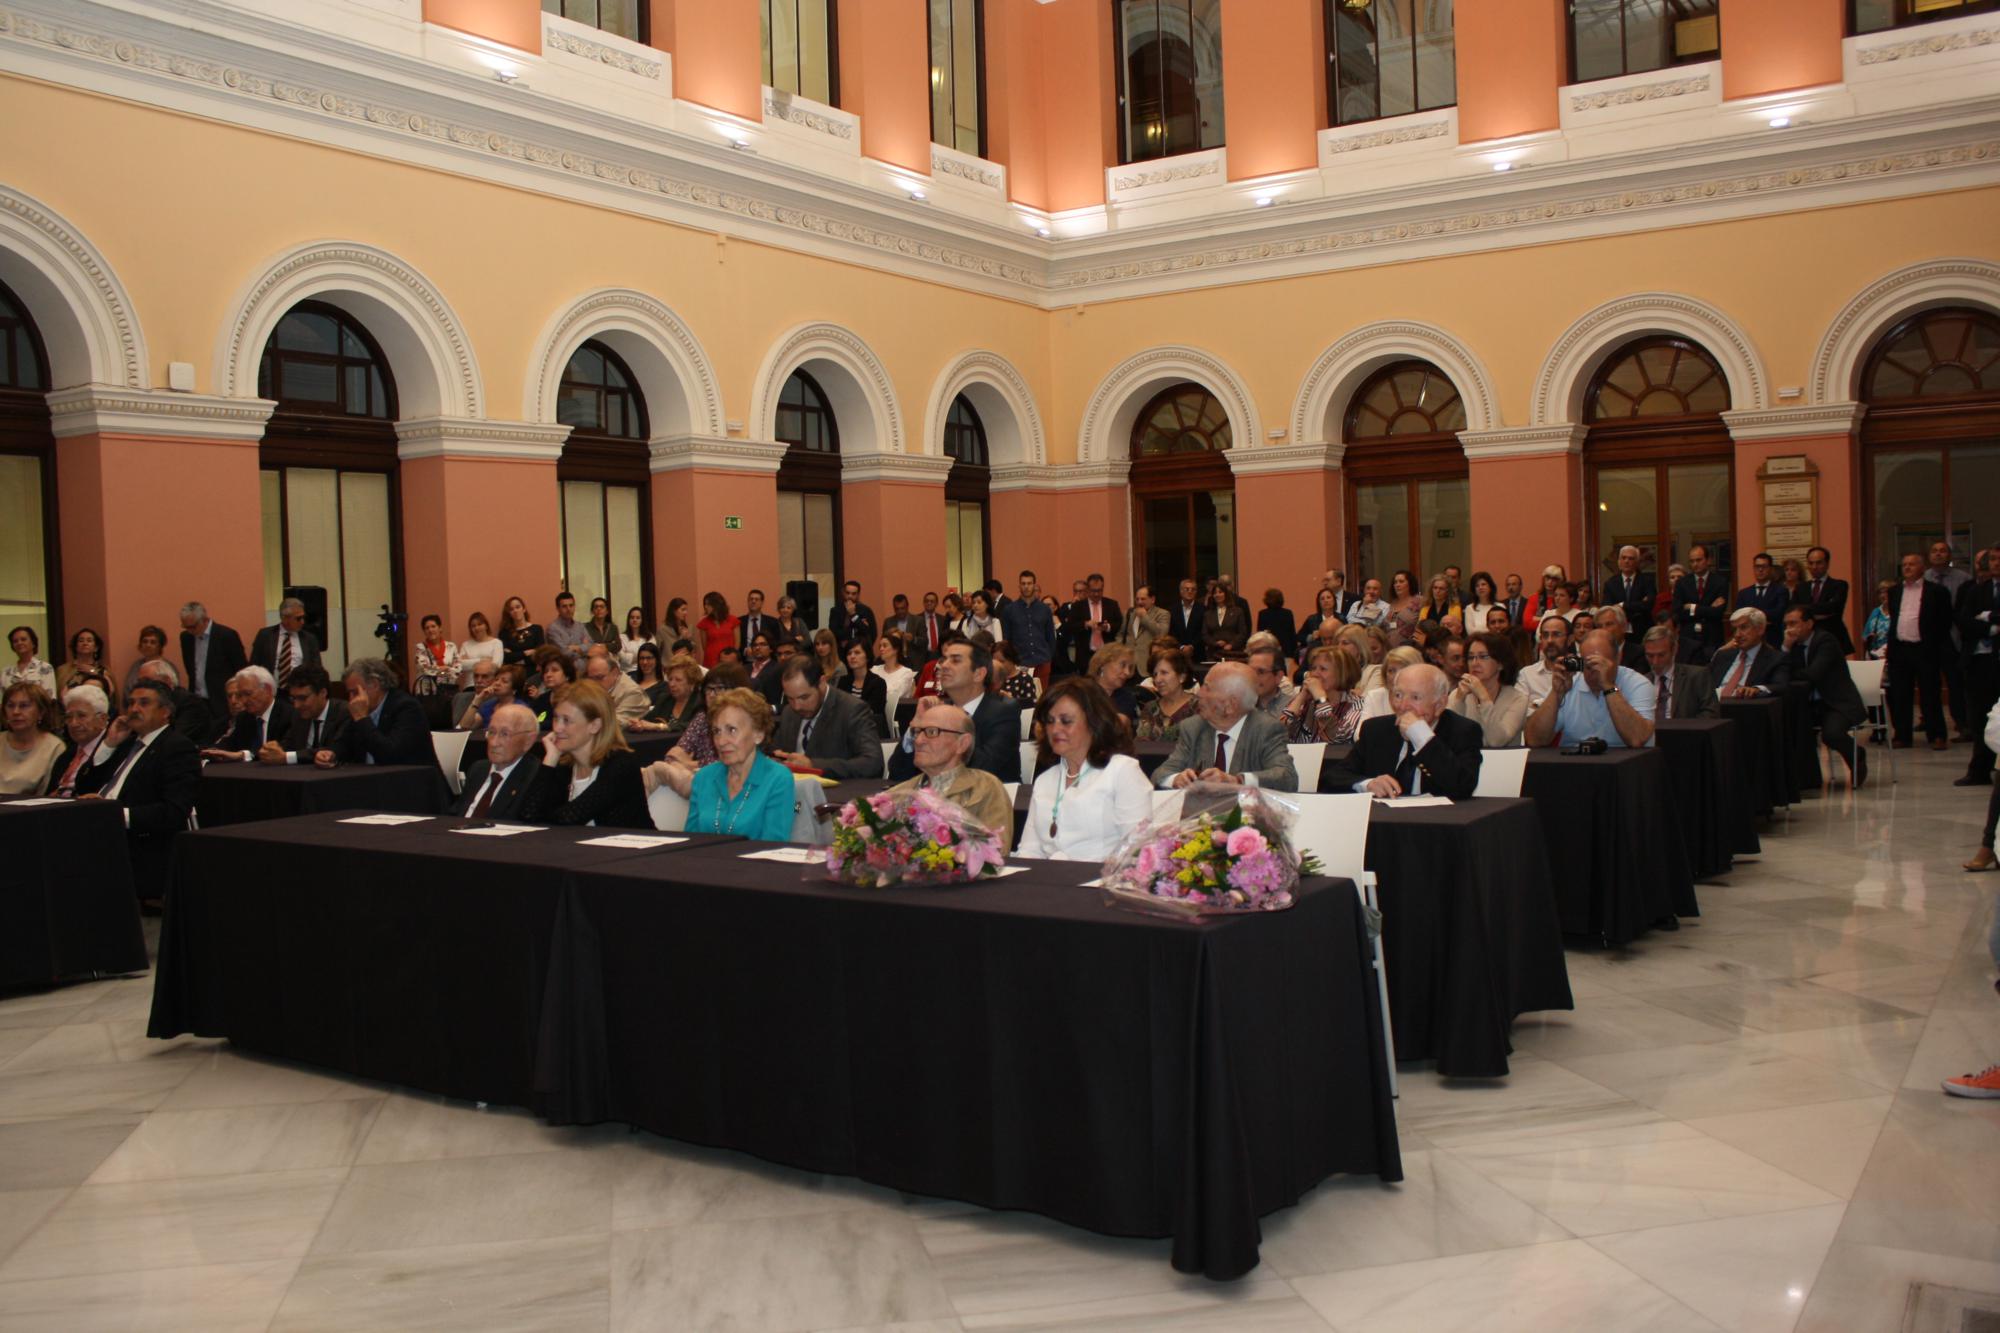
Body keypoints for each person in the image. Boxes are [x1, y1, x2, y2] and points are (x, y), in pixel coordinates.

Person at [76, 677, 201, 906]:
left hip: (138, 842)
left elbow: (174, 811)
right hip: (101, 831)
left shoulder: (176, 747)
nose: (134, 709)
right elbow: (83, 786)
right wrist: (109, 744)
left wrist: (113, 813)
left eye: (144, 703)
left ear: (165, 712)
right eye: (131, 703)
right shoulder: (125, 743)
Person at [1018, 677, 1153, 862]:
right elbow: (1029, 851)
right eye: (1049, 721)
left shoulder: (1122, 771)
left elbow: (1136, 852)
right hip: (1047, 878)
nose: (1055, 729)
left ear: (1094, 722)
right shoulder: (1045, 780)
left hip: (1101, 878)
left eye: (1066, 721)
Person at [1327, 663, 1484, 798]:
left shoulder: (1463, 731)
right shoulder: (1376, 730)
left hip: (1437, 820)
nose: (1403, 706)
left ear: (1439, 704)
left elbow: (1462, 787)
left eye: (1415, 698)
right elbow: (1332, 777)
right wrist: (1367, 784)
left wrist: (1422, 737)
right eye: (1398, 695)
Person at [665, 687, 796, 841]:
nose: (721, 741)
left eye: (732, 730)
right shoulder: (703, 777)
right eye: (717, 731)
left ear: (758, 734)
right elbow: (690, 840)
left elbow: (773, 845)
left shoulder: (778, 779)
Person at [886, 639, 1022, 782]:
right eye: (944, 659)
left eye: (955, 660)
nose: (944, 665)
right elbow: (897, 772)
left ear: (978, 674)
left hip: (988, 793)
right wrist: (916, 727)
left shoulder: (1003, 713)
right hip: (936, 792)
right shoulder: (938, 711)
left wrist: (941, 745)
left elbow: (983, 767)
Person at [887, 703, 1016, 854]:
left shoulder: (986, 788)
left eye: (932, 732)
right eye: (916, 732)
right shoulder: (898, 793)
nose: (918, 740)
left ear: (962, 743)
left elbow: (996, 853)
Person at [517, 679, 649, 827]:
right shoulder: (564, 767)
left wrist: (545, 816)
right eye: (556, 718)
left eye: (566, 720)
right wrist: (550, 760)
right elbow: (527, 815)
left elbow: (570, 818)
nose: (557, 728)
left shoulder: (621, 764)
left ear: (594, 725)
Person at [1152, 661, 1297, 791]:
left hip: (1248, 810)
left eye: (1207, 688)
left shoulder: (1266, 729)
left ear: (1230, 705)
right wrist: (1176, 779)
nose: (1199, 693)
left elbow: (1287, 777)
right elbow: (1160, 774)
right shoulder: (1193, 727)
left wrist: (1237, 781)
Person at [1524, 629, 1657, 749]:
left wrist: (1609, 687)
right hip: (1575, 761)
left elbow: (1637, 739)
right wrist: (1556, 694)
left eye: (1600, 663)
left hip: (1625, 762)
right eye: (1588, 663)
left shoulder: (1637, 684)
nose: (1594, 670)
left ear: (1618, 658)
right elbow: (1534, 740)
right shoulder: (1570, 682)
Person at [1783, 604, 1867, 790]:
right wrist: (1786, 649)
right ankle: (1804, 779)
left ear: (1809, 624)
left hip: (1836, 702)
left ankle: (1857, 755)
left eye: (1793, 623)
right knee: (1792, 729)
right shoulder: (1792, 645)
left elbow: (1814, 673)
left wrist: (1792, 671)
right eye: (1786, 624)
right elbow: (1781, 671)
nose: (1789, 629)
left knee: (1832, 734)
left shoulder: (1825, 641)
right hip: (1809, 703)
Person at [1885, 550, 1957, 750]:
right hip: (1900, 649)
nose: (1907, 567)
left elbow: (1945, 622)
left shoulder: (1937, 591)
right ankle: (1902, 735)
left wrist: (1934, 646)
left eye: (1912, 564)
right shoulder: (1894, 591)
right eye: (1904, 564)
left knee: (1930, 694)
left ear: (1922, 568)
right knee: (1900, 694)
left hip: (1925, 650)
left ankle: (1937, 735)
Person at [769, 657, 884, 779]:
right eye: (790, 698)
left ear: (822, 683)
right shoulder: (789, 712)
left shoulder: (852, 710)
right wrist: (774, 758)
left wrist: (813, 765)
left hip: (837, 788)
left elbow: (873, 763)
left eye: (804, 697)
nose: (797, 706)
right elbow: (775, 750)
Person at [454, 702, 541, 819]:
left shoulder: (534, 777)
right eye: (491, 732)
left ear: (528, 741)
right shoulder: (478, 769)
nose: (494, 743)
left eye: (504, 734)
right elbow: (455, 813)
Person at [339, 657, 433, 765]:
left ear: (374, 685)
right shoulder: (358, 709)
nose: (351, 699)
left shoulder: (407, 707)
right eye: (349, 693)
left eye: (355, 692)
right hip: (370, 774)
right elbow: (345, 744)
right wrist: (332, 754)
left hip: (410, 773)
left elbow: (390, 754)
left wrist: (362, 719)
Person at [1957, 548, 1999, 788]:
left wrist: (1986, 615)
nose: (1996, 563)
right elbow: (1964, 621)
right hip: (1979, 661)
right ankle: (1979, 770)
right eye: (1992, 559)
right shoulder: (1977, 590)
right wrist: (1992, 627)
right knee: (1980, 717)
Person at [663, 661, 749, 770]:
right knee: (658, 769)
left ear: (737, 690)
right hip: (697, 774)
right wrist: (679, 760)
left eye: (719, 688)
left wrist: (689, 764)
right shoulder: (702, 717)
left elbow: (726, 762)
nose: (712, 695)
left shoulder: (744, 720)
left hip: (730, 776)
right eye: (709, 689)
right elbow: (676, 752)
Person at [1450, 632, 1530, 747]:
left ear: (1500, 664)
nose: (1474, 663)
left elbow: (1497, 741)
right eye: (1471, 657)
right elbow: (1450, 738)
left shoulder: (1518, 699)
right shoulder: (1457, 695)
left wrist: (1483, 698)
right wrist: (1459, 701)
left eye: (1483, 657)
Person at [203, 665, 296, 763]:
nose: (243, 700)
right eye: (241, 695)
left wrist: (243, 755)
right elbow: (229, 744)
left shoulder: (289, 715)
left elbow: (279, 751)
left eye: (248, 694)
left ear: (267, 690)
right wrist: (212, 752)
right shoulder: (244, 717)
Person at [1280, 644, 1365, 747]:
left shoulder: (1357, 704)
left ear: (1342, 673)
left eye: (1323, 669)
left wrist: (1320, 698)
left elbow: (1336, 738)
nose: (1315, 674)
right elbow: (1279, 733)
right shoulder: (1307, 702)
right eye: (1313, 668)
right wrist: (1301, 697)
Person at [265, 665, 349, 767]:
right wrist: (272, 749)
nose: (296, 705)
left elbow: (334, 750)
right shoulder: (298, 715)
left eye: (302, 698)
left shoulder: (344, 712)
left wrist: (287, 757)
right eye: (293, 698)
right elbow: (288, 745)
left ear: (323, 693)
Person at [1640, 625, 1720, 722]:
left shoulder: (1697, 677)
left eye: (1661, 655)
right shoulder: (1641, 682)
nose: (1655, 662)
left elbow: (1711, 714)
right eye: (1650, 656)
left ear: (1674, 650)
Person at [1710, 608, 1791, 699]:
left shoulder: (1776, 659)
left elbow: (1780, 686)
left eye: (1743, 627)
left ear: (1760, 629)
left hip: (1745, 705)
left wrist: (1757, 689)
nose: (1737, 635)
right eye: (1734, 629)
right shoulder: (1722, 655)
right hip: (1712, 705)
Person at [132, 658, 213, 748]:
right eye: (140, 682)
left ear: (167, 681)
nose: (142, 687)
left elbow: (174, 739)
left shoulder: (191, 704)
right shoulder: (141, 705)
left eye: (147, 681)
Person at [178, 601, 247, 704]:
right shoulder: (186, 637)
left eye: (193, 627)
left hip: (222, 699)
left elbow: (241, 669)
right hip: (197, 699)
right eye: (186, 627)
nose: (190, 631)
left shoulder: (226, 636)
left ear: (205, 620)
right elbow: (191, 669)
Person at [0, 681, 63, 795]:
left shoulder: (54, 747)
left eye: (24, 706)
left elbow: (51, 794)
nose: (16, 712)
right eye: (10, 706)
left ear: (41, 712)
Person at [50, 684, 112, 797]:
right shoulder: (66, 755)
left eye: (81, 716)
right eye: (69, 717)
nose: (73, 723)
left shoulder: (112, 752)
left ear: (102, 719)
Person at [1672, 543, 1730, 663]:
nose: (1695, 564)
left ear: (1708, 560)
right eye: (1692, 561)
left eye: (1698, 560)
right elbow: (1678, 612)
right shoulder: (1682, 583)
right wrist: (1708, 609)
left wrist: (1692, 607)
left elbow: (1718, 612)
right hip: (1689, 637)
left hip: (1712, 637)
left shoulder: (1720, 582)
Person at [249, 597, 322, 688]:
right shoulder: (266, 635)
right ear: (285, 618)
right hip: (271, 688)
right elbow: (254, 665)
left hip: (299, 688)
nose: (302, 622)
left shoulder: (309, 639)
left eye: (303, 617)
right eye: (298, 618)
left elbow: (316, 668)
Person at [1000, 570, 1056, 682]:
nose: (1026, 587)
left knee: (1042, 692)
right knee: (1021, 693)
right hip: (1019, 662)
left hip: (1042, 661)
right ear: (1019, 586)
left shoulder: (1045, 609)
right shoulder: (1009, 610)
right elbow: (1006, 638)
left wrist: (1049, 657)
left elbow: (1050, 636)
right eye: (1023, 583)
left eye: (1029, 583)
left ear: (1034, 585)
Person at [1138, 648, 1200, 741]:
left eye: (1164, 673)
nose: (1158, 680)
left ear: (1182, 677)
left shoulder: (1199, 706)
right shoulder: (1151, 708)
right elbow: (1141, 742)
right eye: (1155, 674)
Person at [1801, 546, 1854, 655]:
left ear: (1827, 564)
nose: (1814, 567)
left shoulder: (1839, 585)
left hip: (1833, 637)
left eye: (1818, 563)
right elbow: (1795, 609)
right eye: (1811, 563)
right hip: (1807, 639)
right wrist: (1819, 610)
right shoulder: (1801, 587)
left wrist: (1807, 610)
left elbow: (1833, 607)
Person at [1359, 645, 1425, 724]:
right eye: (1391, 671)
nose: (1396, 676)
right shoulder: (1375, 696)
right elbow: (1362, 730)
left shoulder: (1427, 698)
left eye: (1403, 670)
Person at [584, 647, 650, 725]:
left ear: (615, 673)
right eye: (591, 678)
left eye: (599, 677)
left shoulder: (632, 693)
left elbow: (615, 724)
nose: (594, 683)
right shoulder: (590, 688)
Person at [55, 626, 116, 711]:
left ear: (96, 647)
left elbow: (111, 692)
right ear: (75, 647)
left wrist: (93, 671)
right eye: (81, 641)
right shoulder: (63, 670)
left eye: (89, 640)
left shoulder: (104, 670)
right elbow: (58, 694)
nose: (85, 643)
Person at [647, 655, 706, 742]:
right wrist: (638, 723)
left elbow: (694, 726)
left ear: (692, 682)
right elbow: (648, 719)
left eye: (678, 680)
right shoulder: (665, 698)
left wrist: (659, 726)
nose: (672, 684)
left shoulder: (700, 701)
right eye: (670, 679)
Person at [1736, 553, 1790, 647]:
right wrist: (1766, 616)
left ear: (1770, 569)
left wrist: (1751, 613)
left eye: (1764, 566)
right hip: (1749, 641)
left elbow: (1779, 613)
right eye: (1757, 566)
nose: (1760, 570)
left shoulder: (1781, 591)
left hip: (1773, 639)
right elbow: (1739, 616)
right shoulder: (1744, 593)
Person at [835, 639, 889, 732]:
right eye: (849, 653)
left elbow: (871, 712)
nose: (852, 656)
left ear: (867, 657)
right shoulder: (843, 681)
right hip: (846, 729)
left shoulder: (878, 683)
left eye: (857, 652)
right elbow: (838, 708)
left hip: (871, 731)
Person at [1601, 545, 1656, 635]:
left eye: (1631, 559)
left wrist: (1622, 605)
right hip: (1618, 630)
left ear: (1637, 562)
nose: (1627, 561)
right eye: (1623, 558)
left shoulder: (1647, 581)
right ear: (1619, 561)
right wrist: (1638, 604)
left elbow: (1647, 605)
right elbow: (1607, 607)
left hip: (1643, 628)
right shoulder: (1610, 583)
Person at [409, 614, 460, 698]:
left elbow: (458, 669)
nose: (430, 630)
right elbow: (424, 669)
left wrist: (439, 670)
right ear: (424, 631)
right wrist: (446, 668)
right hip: (427, 693)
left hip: (448, 691)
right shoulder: (420, 648)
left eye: (433, 626)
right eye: (427, 628)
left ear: (440, 628)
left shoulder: (451, 646)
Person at [872, 632, 916, 729]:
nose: (881, 649)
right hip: (876, 714)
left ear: (895, 649)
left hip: (898, 717)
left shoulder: (906, 672)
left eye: (885, 645)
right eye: (880, 646)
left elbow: (895, 695)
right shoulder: (875, 670)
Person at [1115, 585, 1167, 663]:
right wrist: (1120, 650)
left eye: (1143, 599)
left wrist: (1145, 617)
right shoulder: (1129, 613)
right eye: (1137, 599)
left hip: (1147, 660)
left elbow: (1161, 634)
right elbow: (1121, 634)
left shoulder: (1163, 614)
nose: (1139, 602)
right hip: (1129, 660)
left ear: (1152, 599)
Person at [1, 626, 57, 698]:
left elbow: (50, 697)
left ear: (33, 643)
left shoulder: (45, 668)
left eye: (23, 639)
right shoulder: (6, 672)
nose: (19, 643)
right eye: (15, 641)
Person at [1245, 641, 1294, 721]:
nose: (1254, 677)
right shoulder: (1240, 705)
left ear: (1278, 676)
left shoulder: (1291, 706)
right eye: (1250, 671)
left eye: (1261, 672)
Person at [1202, 580, 1248, 658]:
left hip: (1233, 652)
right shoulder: (1208, 614)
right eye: (1215, 593)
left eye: (1220, 592)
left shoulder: (1237, 611)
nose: (1217, 595)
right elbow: (1205, 634)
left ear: (1226, 594)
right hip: (1214, 653)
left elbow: (1242, 632)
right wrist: (1215, 643)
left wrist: (1231, 644)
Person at [829, 580, 877, 652]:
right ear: (843, 593)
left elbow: (870, 633)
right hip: (840, 651)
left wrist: (853, 615)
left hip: (860, 650)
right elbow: (833, 632)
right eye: (847, 593)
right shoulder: (835, 610)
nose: (850, 596)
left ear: (858, 595)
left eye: (853, 594)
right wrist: (854, 631)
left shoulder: (866, 610)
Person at [459, 610, 505, 685]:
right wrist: (482, 660)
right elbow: (461, 665)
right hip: (469, 685)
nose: (476, 628)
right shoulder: (466, 645)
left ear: (486, 626)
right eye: (473, 626)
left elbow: (496, 665)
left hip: (490, 685)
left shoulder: (496, 643)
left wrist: (469, 661)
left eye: (479, 624)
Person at [546, 591, 591, 666]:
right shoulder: (552, 629)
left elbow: (591, 646)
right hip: (566, 669)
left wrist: (575, 648)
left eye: (571, 605)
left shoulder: (580, 626)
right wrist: (583, 650)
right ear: (558, 609)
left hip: (585, 669)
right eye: (564, 606)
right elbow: (564, 653)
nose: (568, 609)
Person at [991, 639, 1039, 707]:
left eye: (1001, 661)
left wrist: (1010, 700)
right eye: (995, 662)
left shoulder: (1024, 679)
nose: (998, 665)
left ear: (1012, 659)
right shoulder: (993, 679)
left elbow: (1031, 704)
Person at [1255, 588, 1298, 665]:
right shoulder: (1288, 613)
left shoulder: (1263, 614)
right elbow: (1292, 633)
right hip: (1285, 650)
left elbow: (1260, 634)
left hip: (1269, 649)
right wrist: (1294, 652)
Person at [1165, 576, 1205, 657]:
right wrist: (1181, 647)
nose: (1190, 591)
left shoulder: (1203, 609)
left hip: (1197, 652)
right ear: (1181, 591)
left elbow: (1203, 632)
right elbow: (1171, 631)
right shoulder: (1172, 610)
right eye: (1187, 589)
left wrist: (1191, 646)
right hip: (1177, 652)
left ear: (1196, 592)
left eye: (1193, 589)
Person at [498, 595, 544, 666]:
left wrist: (516, 657)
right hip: (514, 670)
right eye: (511, 609)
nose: (515, 611)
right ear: (509, 613)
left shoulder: (537, 629)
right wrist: (526, 653)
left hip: (535, 669)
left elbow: (540, 653)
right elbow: (506, 657)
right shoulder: (504, 633)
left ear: (524, 609)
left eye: (518, 607)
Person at [125, 626, 169, 696]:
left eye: (153, 642)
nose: (148, 645)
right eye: (145, 641)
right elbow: (127, 690)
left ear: (160, 646)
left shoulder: (166, 668)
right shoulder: (135, 666)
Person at [1299, 586, 1345, 653]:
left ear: (1334, 600)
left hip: (1337, 651)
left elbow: (1347, 636)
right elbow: (1299, 637)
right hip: (1318, 651)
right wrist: (1311, 637)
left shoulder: (1341, 618)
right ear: (1319, 603)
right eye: (1322, 599)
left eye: (1328, 597)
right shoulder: (1312, 619)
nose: (1326, 600)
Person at [743, 629, 784, 704]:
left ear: (771, 649)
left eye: (762, 644)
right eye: (755, 645)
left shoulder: (777, 669)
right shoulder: (744, 668)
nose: (757, 648)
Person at [1461, 572, 1500, 646]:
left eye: (1483, 584)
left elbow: (1502, 630)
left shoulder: (1500, 606)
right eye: (1477, 586)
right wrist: (1491, 631)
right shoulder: (1470, 608)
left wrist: (1480, 630)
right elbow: (1471, 633)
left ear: (1490, 586)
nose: (1480, 587)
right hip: (1477, 645)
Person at [733, 588, 770, 656]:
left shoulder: (771, 622)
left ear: (762, 602)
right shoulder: (739, 622)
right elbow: (736, 643)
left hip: (765, 659)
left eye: (756, 599)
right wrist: (745, 651)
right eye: (751, 599)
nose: (753, 601)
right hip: (745, 660)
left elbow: (774, 643)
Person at [1863, 580, 1894, 659]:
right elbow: (1865, 635)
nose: (1883, 595)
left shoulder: (1898, 612)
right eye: (1880, 592)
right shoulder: (1875, 612)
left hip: (1893, 656)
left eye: (1886, 592)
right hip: (1875, 656)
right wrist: (1869, 637)